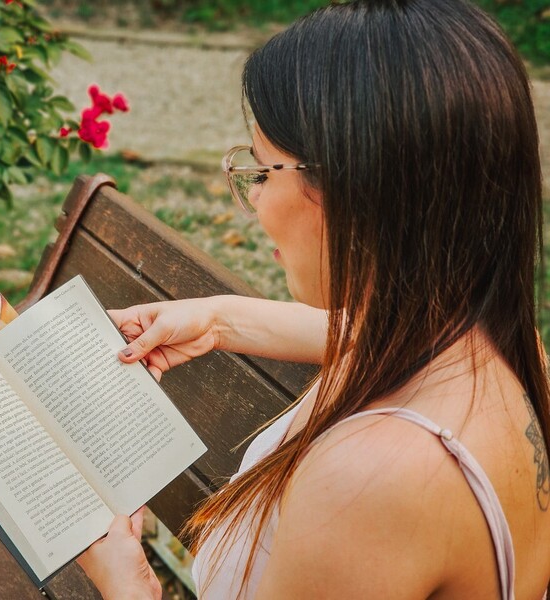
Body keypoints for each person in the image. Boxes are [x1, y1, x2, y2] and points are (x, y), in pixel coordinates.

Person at [76, 0, 550, 598]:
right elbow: (362, 330)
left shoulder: (373, 481)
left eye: (263, 172)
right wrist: (219, 320)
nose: (255, 205)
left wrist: (127, 583)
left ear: (352, 191)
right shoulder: (491, 346)